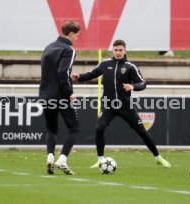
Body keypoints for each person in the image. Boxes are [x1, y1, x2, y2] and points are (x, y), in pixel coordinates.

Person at [72, 39, 171, 168]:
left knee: (142, 131)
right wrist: (78, 77)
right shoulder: (105, 64)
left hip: (126, 107)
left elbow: (142, 83)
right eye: (115, 50)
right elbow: (92, 74)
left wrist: (133, 87)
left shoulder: (130, 67)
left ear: (125, 51)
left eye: (120, 50)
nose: (118, 52)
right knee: (99, 128)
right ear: (112, 50)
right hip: (108, 106)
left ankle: (158, 157)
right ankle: (100, 160)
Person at [39, 20, 81, 175]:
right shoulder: (68, 50)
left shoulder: (49, 47)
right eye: (76, 35)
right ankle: (62, 159)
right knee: (74, 128)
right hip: (61, 96)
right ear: (70, 34)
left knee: (52, 129)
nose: (77, 38)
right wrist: (70, 92)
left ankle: (50, 156)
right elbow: (62, 73)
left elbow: (48, 72)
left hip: (45, 94)